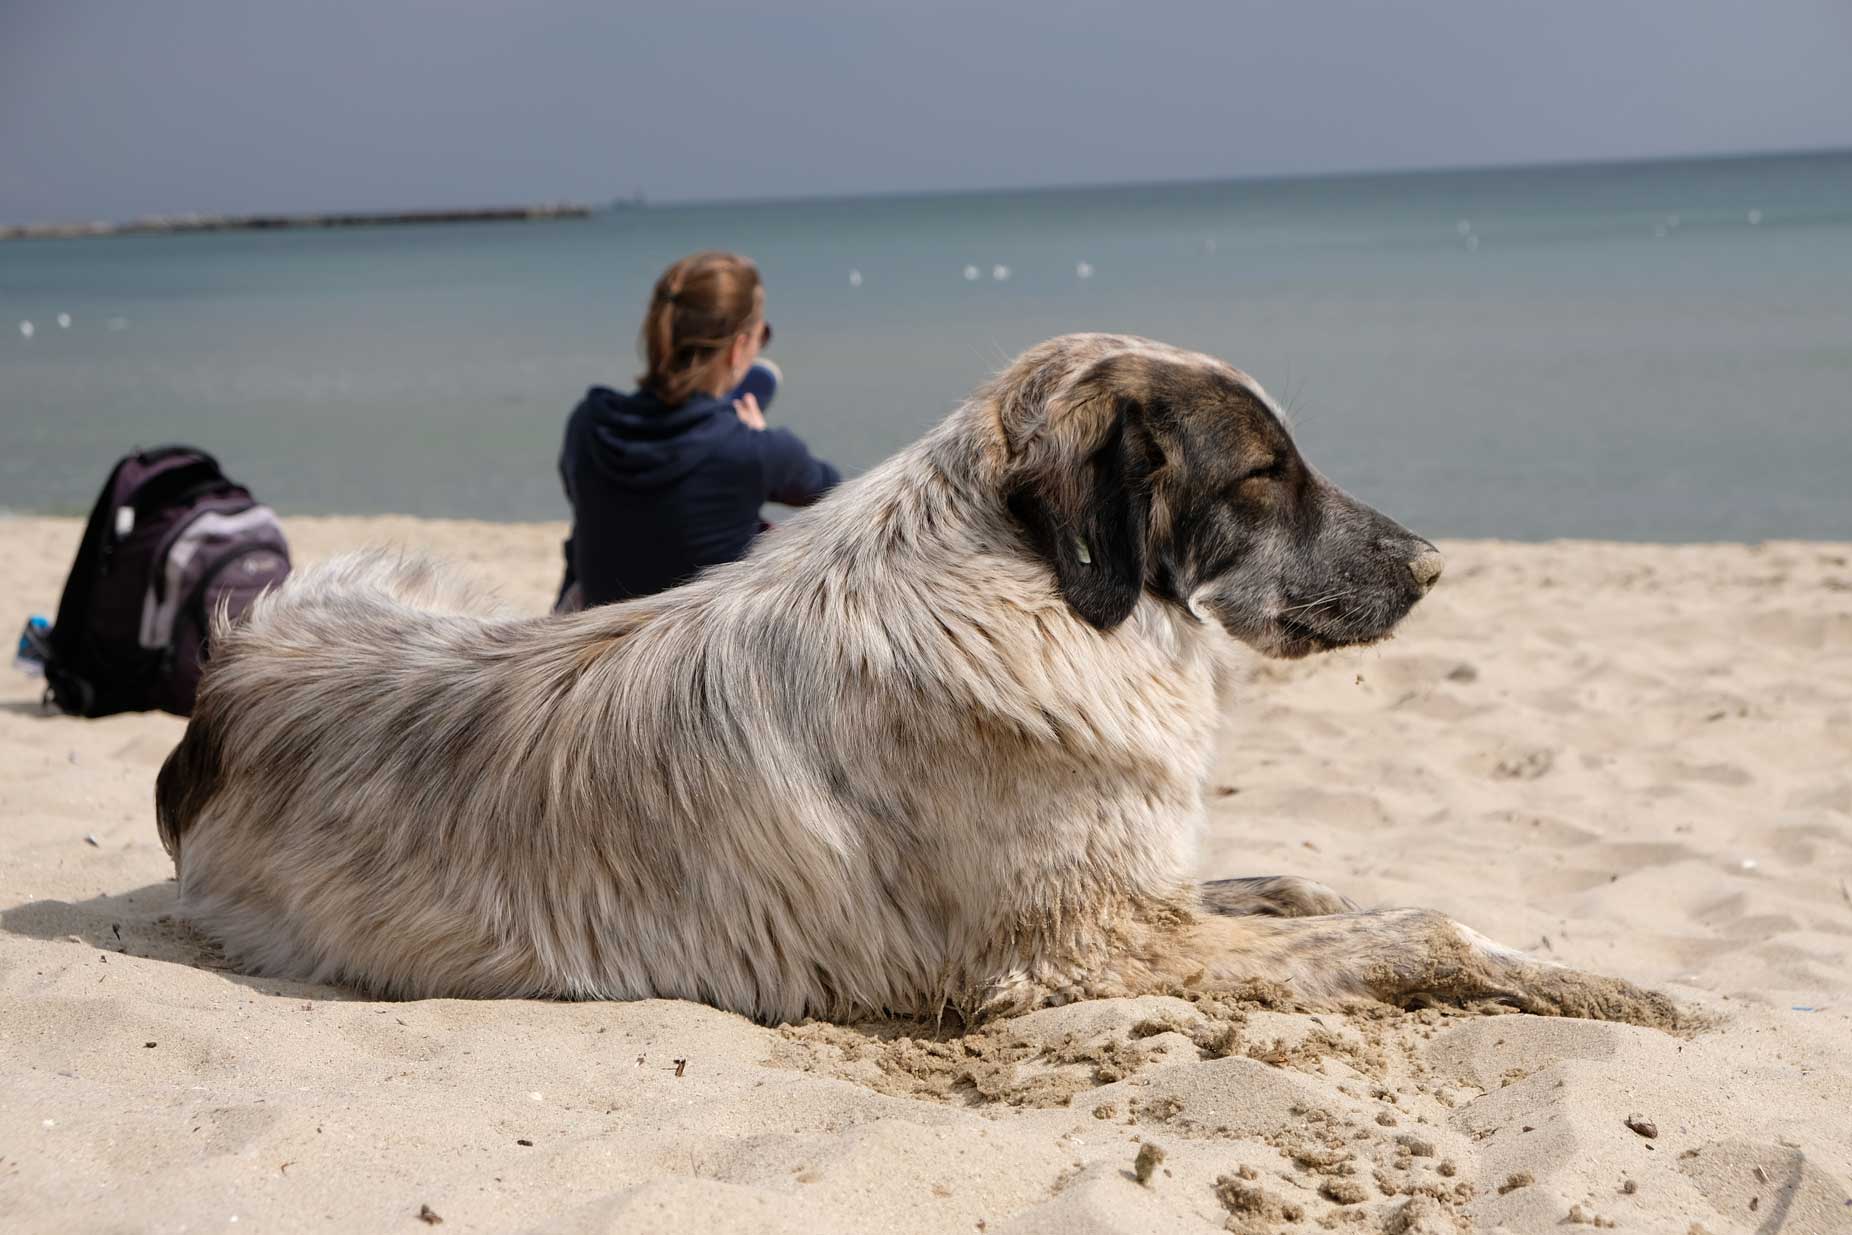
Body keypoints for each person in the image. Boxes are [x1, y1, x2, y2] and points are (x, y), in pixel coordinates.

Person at [556, 251, 841, 610]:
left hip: (597, 644)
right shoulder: (751, 452)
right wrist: (757, 436)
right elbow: (833, 492)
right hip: (693, 654)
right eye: (760, 336)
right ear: (738, 349)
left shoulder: (587, 425)